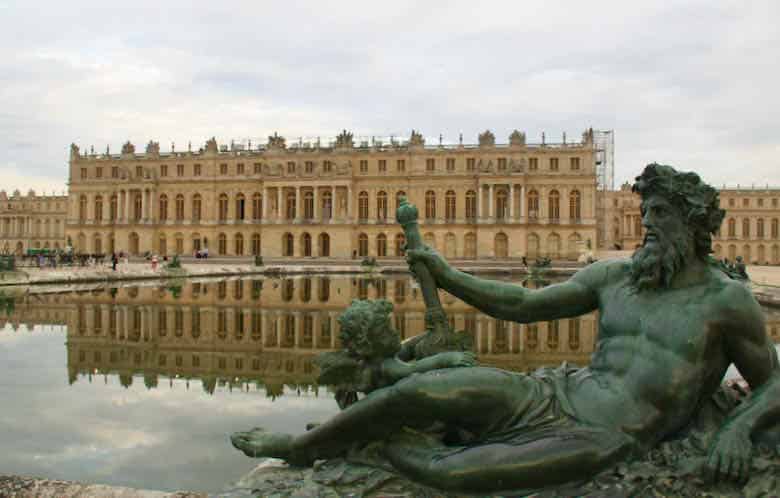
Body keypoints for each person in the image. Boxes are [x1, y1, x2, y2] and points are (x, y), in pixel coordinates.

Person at [232, 164, 780, 493]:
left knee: (452, 473)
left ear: (691, 223)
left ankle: (375, 445)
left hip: (605, 435)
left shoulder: (725, 301)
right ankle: (305, 446)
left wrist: (738, 429)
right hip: (555, 391)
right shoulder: (617, 276)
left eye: (659, 214)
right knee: (420, 388)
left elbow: (773, 383)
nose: (646, 224)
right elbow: (520, 303)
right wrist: (447, 274)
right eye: (647, 213)